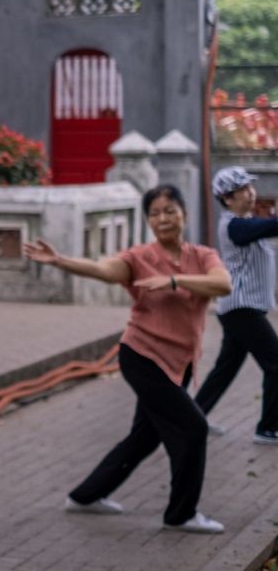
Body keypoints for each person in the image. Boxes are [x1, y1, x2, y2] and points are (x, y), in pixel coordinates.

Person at [23, 184, 232, 534]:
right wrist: (60, 260)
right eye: (155, 213)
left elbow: (222, 284)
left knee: (144, 437)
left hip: (178, 361)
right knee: (194, 427)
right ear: (148, 220)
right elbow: (102, 269)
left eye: (170, 210)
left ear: (184, 213)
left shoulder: (202, 255)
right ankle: (181, 514)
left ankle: (85, 496)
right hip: (142, 356)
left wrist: (174, 281)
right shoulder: (139, 258)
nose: (163, 218)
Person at [193, 166, 278, 445]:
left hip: (242, 308)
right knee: (275, 363)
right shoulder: (233, 226)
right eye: (243, 190)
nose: (250, 193)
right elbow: (268, 226)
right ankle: (268, 428)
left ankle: (192, 418)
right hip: (241, 308)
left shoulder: (246, 222)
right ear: (227, 199)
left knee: (225, 369)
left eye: (250, 187)